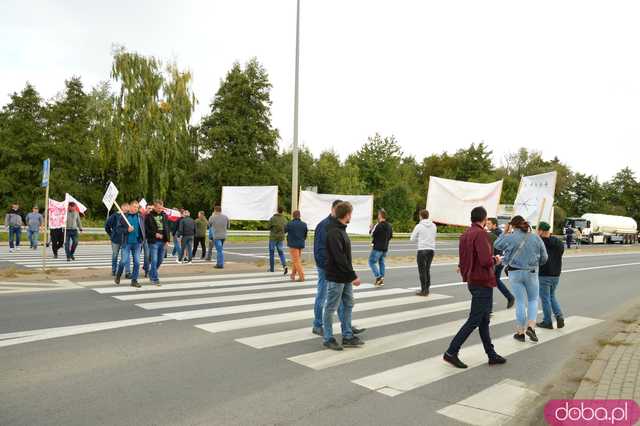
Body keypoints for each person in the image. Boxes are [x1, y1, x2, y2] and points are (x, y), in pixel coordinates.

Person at [444, 206, 506, 369]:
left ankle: (491, 354)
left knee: (484, 320)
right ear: (484, 220)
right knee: (474, 320)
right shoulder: (481, 234)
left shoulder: (465, 234)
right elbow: (486, 261)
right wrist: (496, 259)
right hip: (483, 281)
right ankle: (451, 352)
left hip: (472, 279)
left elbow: (465, 258)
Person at [312, 200, 363, 337]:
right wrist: (326, 267)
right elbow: (320, 249)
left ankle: (346, 326)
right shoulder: (324, 225)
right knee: (323, 296)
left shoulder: (337, 225)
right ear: (333, 209)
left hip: (337, 269)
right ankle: (317, 325)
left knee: (342, 300)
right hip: (326, 268)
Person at [495, 215, 548, 343]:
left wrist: (505, 231)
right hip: (531, 272)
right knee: (533, 300)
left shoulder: (510, 237)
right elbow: (545, 257)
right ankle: (531, 326)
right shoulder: (535, 237)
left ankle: (520, 332)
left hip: (515, 273)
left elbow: (497, 244)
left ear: (512, 225)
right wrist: (535, 263)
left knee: (519, 301)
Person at [536, 222, 565, 329]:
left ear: (541, 231)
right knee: (551, 296)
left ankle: (547, 321)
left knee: (545, 298)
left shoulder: (539, 243)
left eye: (538, 230)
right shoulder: (558, 242)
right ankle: (559, 316)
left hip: (544, 274)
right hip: (556, 274)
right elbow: (561, 253)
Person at [115, 200, 146, 288]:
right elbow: (118, 229)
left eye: (137, 207)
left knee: (137, 262)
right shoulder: (123, 217)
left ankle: (134, 281)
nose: (136, 208)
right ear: (130, 207)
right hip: (126, 243)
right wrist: (126, 230)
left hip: (137, 243)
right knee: (123, 261)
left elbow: (143, 229)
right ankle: (118, 275)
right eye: (134, 207)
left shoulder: (140, 217)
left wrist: (142, 239)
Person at [487, 218, 515, 309]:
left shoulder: (496, 233)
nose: (487, 225)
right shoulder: (497, 232)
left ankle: (489, 308)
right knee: (494, 280)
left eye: (489, 224)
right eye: (487, 223)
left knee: (492, 281)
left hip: (497, 260)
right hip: (499, 260)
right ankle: (509, 297)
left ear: (494, 225)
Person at [410, 209, 436, 296]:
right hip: (431, 250)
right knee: (427, 269)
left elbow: (412, 239)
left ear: (421, 216)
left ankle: (423, 290)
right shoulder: (434, 226)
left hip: (422, 250)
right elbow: (433, 236)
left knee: (422, 271)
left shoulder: (419, 226)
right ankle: (427, 288)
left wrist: (420, 238)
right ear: (428, 216)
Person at [144, 200, 170, 286]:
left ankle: (151, 273)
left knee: (160, 260)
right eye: (158, 208)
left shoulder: (164, 215)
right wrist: (155, 234)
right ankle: (154, 279)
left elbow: (167, 228)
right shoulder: (148, 216)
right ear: (154, 207)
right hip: (153, 241)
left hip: (163, 241)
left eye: (161, 207)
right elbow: (146, 230)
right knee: (154, 260)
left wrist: (167, 240)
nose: (160, 209)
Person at [368, 209, 393, 287]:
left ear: (380, 215)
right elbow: (390, 236)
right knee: (381, 262)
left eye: (378, 214)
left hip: (377, 248)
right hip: (385, 248)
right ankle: (381, 279)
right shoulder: (389, 226)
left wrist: (371, 228)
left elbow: (372, 234)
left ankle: (378, 277)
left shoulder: (378, 225)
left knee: (371, 262)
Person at [105, 203, 130, 277]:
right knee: (115, 255)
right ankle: (113, 270)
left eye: (127, 207)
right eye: (125, 206)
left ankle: (127, 272)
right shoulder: (115, 216)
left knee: (126, 256)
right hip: (115, 240)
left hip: (125, 240)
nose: (126, 208)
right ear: (121, 207)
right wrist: (111, 234)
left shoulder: (129, 216)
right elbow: (107, 226)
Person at [285, 210, 308, 282]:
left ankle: (302, 277)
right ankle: (292, 275)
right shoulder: (304, 224)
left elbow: (284, 230)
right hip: (301, 244)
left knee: (296, 261)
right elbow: (305, 234)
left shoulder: (290, 224)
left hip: (293, 244)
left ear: (293, 216)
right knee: (296, 260)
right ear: (299, 216)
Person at [268, 207, 288, 274]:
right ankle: (284, 266)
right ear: (282, 211)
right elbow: (286, 229)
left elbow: (268, 226)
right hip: (281, 238)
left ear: (277, 211)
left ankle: (272, 268)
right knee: (281, 253)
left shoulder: (273, 218)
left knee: (271, 253)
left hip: (273, 238)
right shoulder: (284, 219)